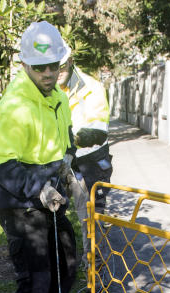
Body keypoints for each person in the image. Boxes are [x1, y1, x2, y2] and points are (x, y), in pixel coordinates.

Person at [0, 21, 84, 293]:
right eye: (39, 67)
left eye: (53, 66)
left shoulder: (56, 98)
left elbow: (64, 143)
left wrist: (70, 176)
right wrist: (38, 188)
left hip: (50, 199)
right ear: (25, 65)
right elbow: (0, 165)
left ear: (62, 62)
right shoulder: (11, 107)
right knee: (36, 278)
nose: (47, 73)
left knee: (68, 263)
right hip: (19, 205)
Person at [57, 55, 112, 212]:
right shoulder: (51, 90)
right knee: (53, 215)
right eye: (55, 66)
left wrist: (75, 144)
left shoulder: (91, 88)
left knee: (90, 219)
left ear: (70, 61)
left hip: (88, 163)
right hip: (61, 162)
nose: (58, 72)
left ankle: (95, 235)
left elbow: (98, 127)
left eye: (62, 66)